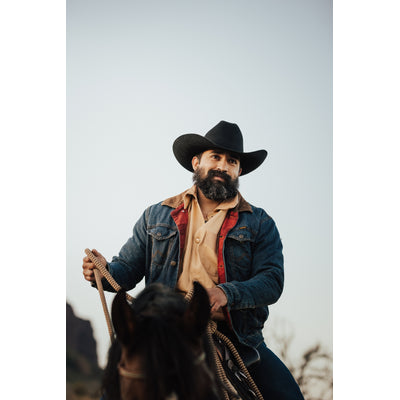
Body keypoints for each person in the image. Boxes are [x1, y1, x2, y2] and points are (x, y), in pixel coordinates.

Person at [82, 120, 304, 399]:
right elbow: (126, 269)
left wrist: (226, 293)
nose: (223, 166)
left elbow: (271, 281)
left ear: (239, 171)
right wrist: (103, 271)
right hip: (160, 328)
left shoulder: (260, 222)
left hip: (235, 335)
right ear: (196, 162)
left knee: (289, 396)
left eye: (232, 161)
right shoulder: (156, 215)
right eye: (216, 157)